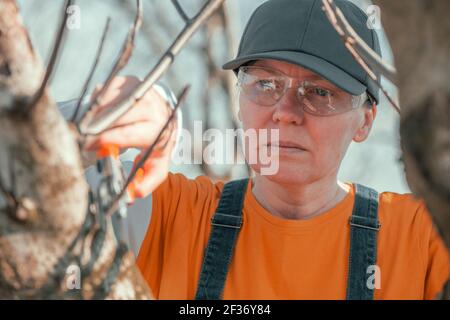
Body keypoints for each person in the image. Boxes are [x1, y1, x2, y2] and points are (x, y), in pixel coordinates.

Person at [79, 0, 449, 299]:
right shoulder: (164, 211)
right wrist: (108, 115)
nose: (285, 112)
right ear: (240, 98)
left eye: (320, 92)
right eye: (266, 84)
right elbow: (35, 173)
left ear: (365, 121)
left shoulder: (421, 235)